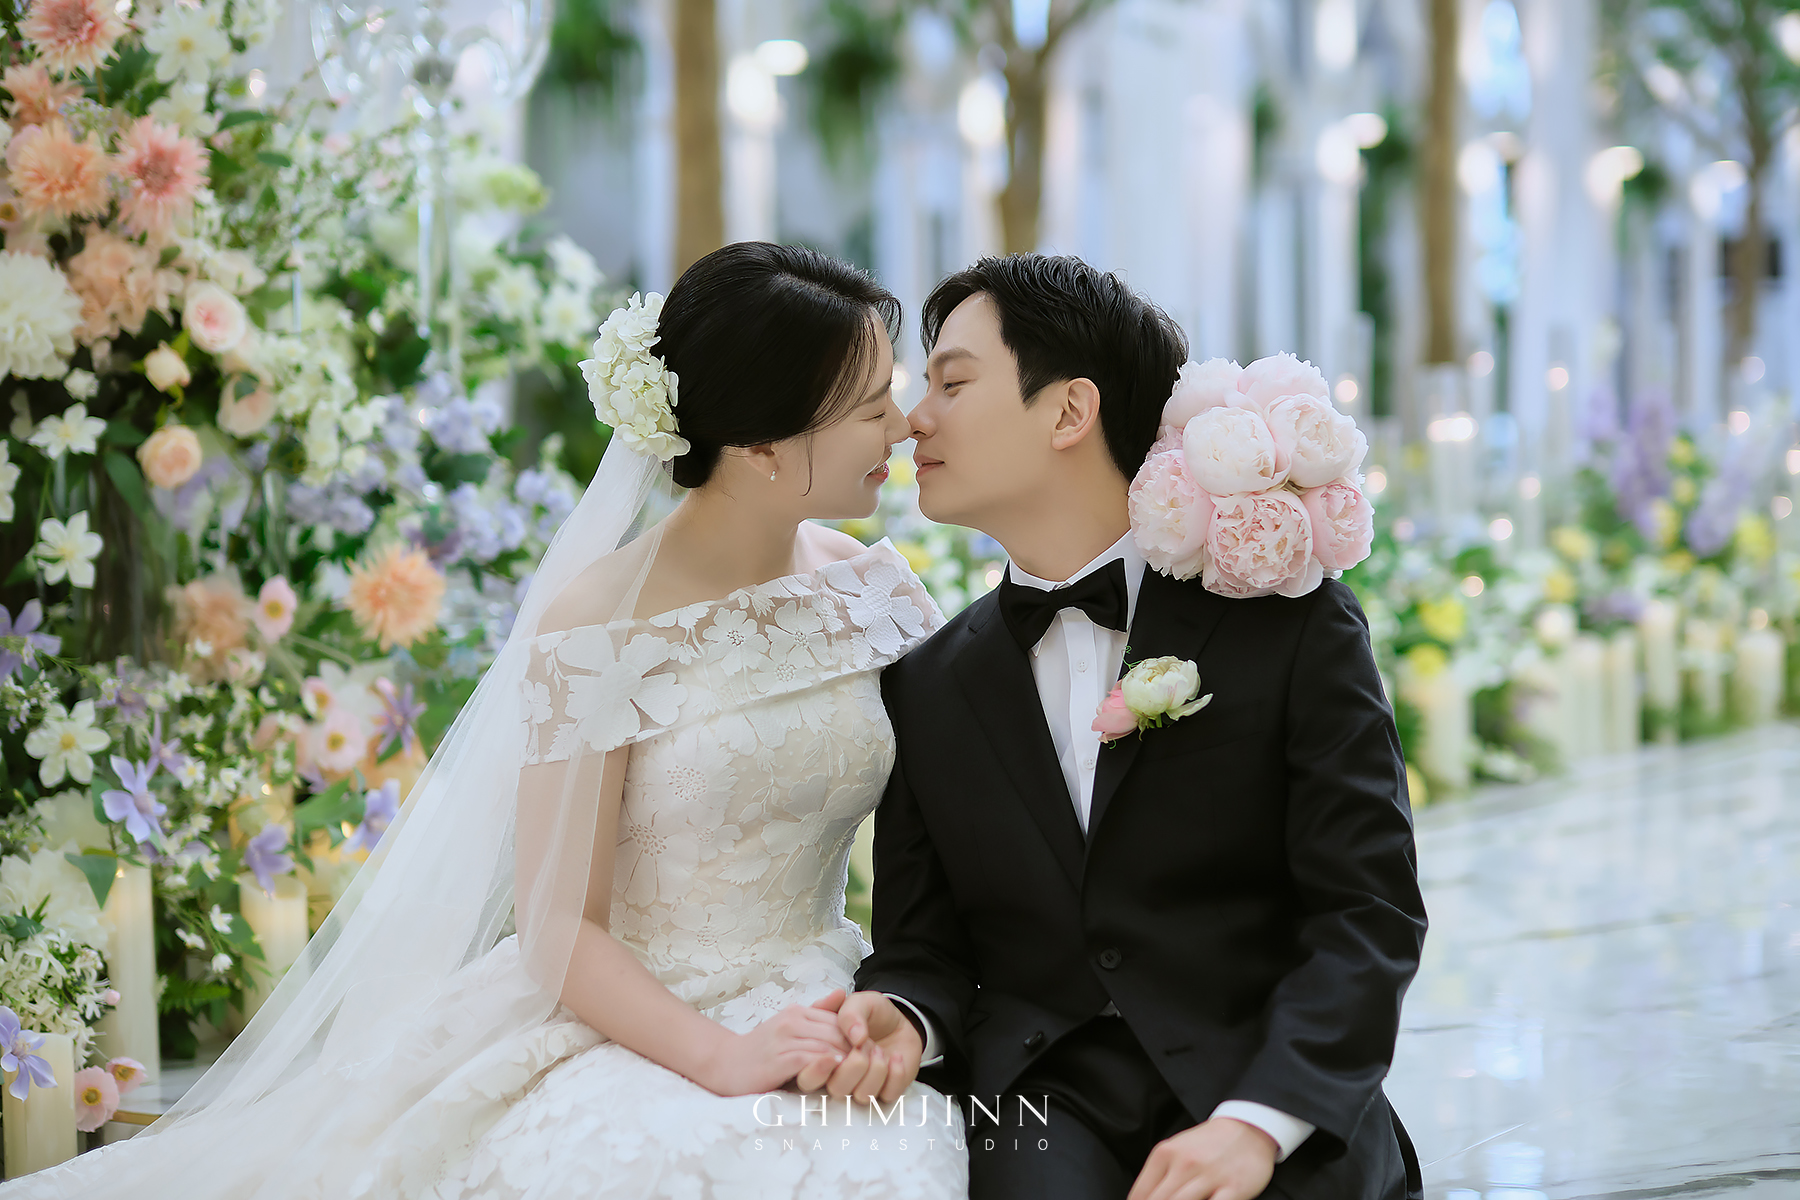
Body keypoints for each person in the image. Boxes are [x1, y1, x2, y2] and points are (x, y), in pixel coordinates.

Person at [7, 243, 967, 1199]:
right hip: (629, 1014)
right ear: (761, 445)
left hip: (833, 993)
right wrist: (723, 1056)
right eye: (870, 406)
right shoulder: (601, 623)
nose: (904, 423)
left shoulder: (868, 592)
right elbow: (558, 925)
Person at [824, 254, 1429, 1200]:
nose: (913, 420)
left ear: (1070, 411)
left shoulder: (1287, 623)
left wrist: (1258, 1123)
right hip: (1042, 1100)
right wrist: (904, 1013)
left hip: (1268, 1080)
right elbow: (925, 946)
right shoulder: (931, 682)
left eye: (952, 383)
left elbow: (1367, 912)